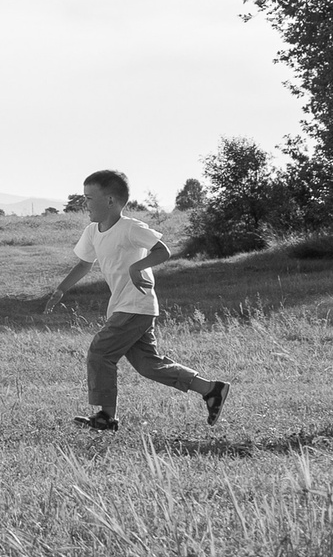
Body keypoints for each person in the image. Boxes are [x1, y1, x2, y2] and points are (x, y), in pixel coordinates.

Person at [43, 169, 228, 432]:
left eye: (89, 198)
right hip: (125, 307)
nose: (84, 204)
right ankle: (211, 389)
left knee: (100, 352)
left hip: (136, 305)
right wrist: (61, 290)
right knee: (148, 365)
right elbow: (84, 264)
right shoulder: (93, 231)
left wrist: (136, 268)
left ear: (110, 201)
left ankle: (106, 416)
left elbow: (162, 251)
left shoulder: (130, 228)